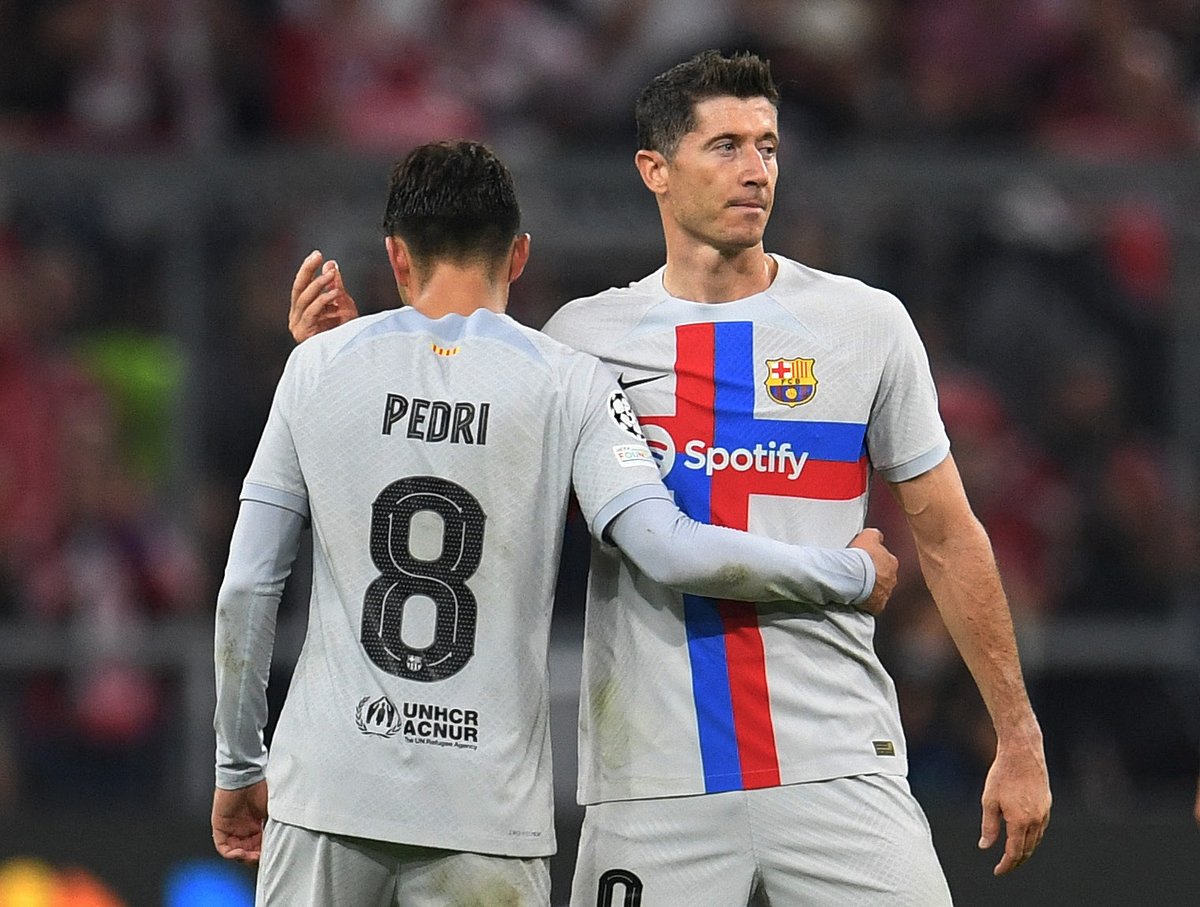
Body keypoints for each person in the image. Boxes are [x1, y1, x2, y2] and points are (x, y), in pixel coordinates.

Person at [289, 52, 1052, 905]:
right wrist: (355, 360)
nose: (756, 170)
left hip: (838, 762)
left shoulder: (866, 325)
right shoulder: (583, 339)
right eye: (724, 146)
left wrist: (1017, 732)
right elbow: (455, 468)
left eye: (767, 146)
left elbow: (949, 534)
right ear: (654, 169)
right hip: (651, 783)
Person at [217, 139, 900, 905]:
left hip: (327, 795)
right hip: (485, 814)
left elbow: (247, 585)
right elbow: (667, 549)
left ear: (396, 258)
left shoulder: (316, 366)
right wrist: (850, 570)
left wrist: (238, 765)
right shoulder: (569, 382)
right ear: (519, 256)